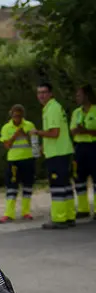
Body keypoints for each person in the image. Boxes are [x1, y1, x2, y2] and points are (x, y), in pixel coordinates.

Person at [30, 82, 76, 229]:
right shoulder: (52, 107)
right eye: (39, 93)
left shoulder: (52, 109)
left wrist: (37, 133)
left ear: (51, 93)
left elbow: (54, 133)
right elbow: (55, 133)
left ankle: (59, 218)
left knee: (57, 186)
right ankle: (69, 216)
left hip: (57, 153)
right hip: (61, 151)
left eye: (44, 92)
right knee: (65, 186)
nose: (41, 95)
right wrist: (44, 146)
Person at [0, 104, 37, 223]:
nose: (17, 118)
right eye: (15, 116)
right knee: (11, 188)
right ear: (11, 115)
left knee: (27, 186)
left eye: (19, 116)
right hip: (13, 160)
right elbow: (7, 145)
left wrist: (26, 135)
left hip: (28, 159)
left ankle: (26, 212)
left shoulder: (29, 125)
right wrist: (15, 134)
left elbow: (35, 144)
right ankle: (9, 214)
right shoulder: (6, 128)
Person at [70, 84, 96, 219]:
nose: (77, 98)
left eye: (79, 95)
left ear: (87, 95)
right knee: (79, 178)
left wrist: (86, 131)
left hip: (94, 147)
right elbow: (72, 130)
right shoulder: (76, 112)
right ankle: (83, 208)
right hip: (79, 147)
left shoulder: (95, 110)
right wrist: (77, 130)